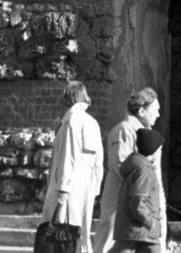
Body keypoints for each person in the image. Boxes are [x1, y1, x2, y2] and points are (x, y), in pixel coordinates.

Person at [93, 88, 163, 253]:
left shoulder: (147, 134)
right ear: (142, 111)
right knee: (110, 242)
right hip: (123, 200)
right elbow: (121, 165)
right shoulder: (124, 129)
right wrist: (142, 193)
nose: (158, 114)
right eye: (155, 110)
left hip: (140, 202)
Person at [41, 81, 105, 253]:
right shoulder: (92, 122)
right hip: (87, 186)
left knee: (63, 234)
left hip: (69, 186)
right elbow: (99, 160)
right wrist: (96, 188)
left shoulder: (71, 121)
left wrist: (63, 188)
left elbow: (68, 156)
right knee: (82, 235)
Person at [112, 129, 163, 253]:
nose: (160, 152)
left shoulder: (137, 166)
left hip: (133, 229)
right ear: (152, 150)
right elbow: (138, 202)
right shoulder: (144, 170)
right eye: (160, 149)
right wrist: (150, 222)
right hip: (142, 230)